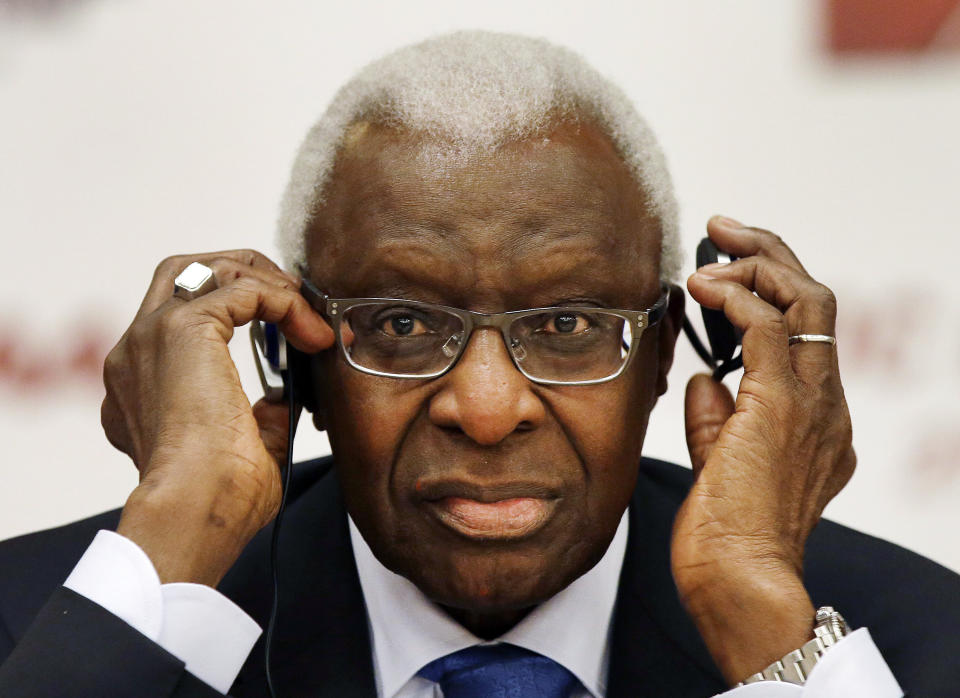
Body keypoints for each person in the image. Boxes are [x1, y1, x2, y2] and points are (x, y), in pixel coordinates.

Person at [0, 31, 957, 698]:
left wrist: (769, 645)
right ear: (298, 361)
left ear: (665, 356)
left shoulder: (913, 646)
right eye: (405, 325)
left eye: (570, 323)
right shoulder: (53, 634)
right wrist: (169, 543)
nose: (488, 410)